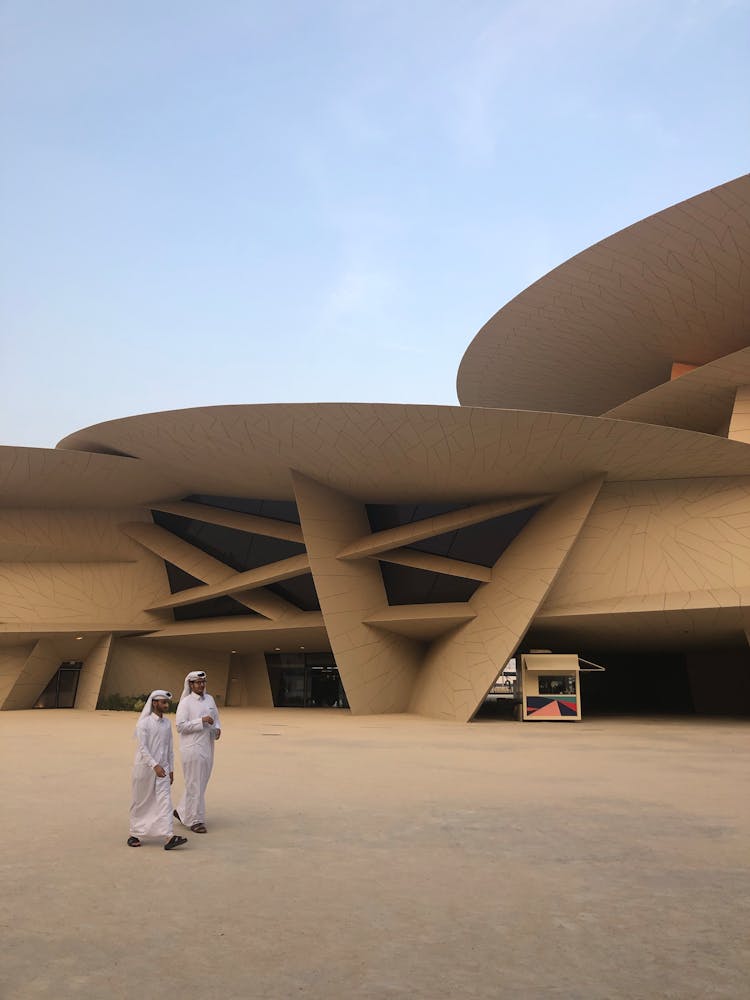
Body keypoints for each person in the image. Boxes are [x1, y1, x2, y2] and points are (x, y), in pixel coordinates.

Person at [127, 689, 188, 850]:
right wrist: (155, 765)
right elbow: (142, 748)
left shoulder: (167, 724)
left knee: (165, 802)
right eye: (163, 702)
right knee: (141, 802)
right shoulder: (144, 724)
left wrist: (171, 769)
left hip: (163, 770)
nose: (166, 705)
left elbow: (169, 748)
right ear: (154, 703)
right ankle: (134, 833)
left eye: (167, 702)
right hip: (145, 770)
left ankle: (169, 837)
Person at [174, 670, 221, 834]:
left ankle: (181, 810)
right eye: (197, 682)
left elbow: (216, 717)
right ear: (191, 684)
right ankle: (195, 820)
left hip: (207, 746)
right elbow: (180, 726)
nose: (201, 685)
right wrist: (200, 721)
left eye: (203, 682)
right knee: (195, 784)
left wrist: (217, 729)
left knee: (200, 782)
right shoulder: (186, 703)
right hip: (191, 748)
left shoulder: (210, 699)